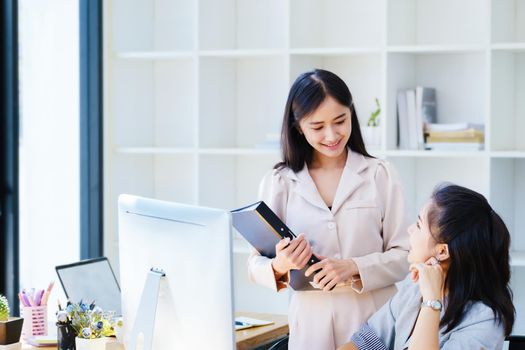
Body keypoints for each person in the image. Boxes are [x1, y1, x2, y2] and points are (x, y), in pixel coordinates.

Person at [247, 69, 410, 349]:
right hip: (311, 325)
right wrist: (280, 265)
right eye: (317, 126)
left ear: (351, 114)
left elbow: (405, 256)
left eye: (340, 121)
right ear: (298, 126)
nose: (332, 135)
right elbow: (254, 264)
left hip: (374, 321)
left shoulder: (380, 174)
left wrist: (353, 267)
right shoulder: (280, 181)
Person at [339, 184, 515, 350]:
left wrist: (432, 300)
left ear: (442, 251)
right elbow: (365, 343)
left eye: (418, 225)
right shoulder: (414, 288)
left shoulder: (485, 320)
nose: (409, 230)